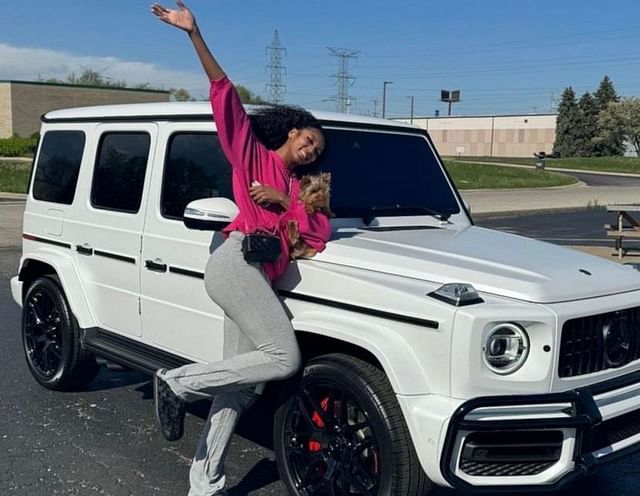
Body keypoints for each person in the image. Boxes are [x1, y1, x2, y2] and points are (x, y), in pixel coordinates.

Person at [150, 1, 332, 495]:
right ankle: (177, 382)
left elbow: (317, 237)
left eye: (318, 149)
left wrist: (285, 202)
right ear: (293, 131)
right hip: (235, 263)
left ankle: (203, 481)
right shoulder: (250, 153)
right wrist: (194, 34)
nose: (312, 149)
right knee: (284, 358)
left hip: (259, 277)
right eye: (309, 139)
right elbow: (223, 94)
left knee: (238, 385)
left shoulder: (301, 188)